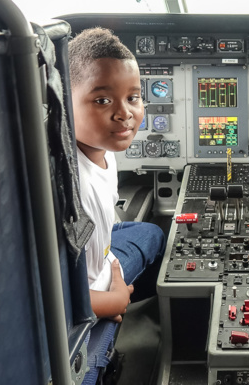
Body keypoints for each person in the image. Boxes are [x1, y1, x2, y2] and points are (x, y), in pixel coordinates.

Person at [69, 27, 166, 322]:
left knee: (152, 232)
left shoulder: (101, 150)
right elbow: (47, 298)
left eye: (133, 97)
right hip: (87, 301)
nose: (124, 113)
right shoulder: (73, 187)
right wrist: (114, 300)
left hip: (97, 263)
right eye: (102, 100)